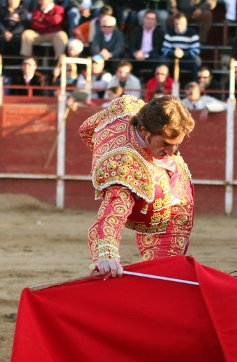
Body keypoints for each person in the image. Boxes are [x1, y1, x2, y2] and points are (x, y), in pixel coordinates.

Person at [79, 95, 196, 277]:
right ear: (143, 129)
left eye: (176, 145)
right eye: (165, 143)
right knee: (162, 279)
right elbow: (111, 216)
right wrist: (107, 255)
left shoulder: (126, 108)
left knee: (163, 275)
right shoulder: (126, 166)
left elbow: (86, 129)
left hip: (169, 198)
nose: (171, 153)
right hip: (166, 218)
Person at [161, 12, 201, 82]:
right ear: (174, 23)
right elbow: (164, 49)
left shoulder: (192, 33)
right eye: (177, 24)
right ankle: (166, 84)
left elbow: (196, 50)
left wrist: (183, 54)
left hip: (187, 59)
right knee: (162, 59)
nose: (179, 26)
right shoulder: (170, 33)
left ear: (186, 24)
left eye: (181, 24)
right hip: (172, 59)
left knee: (196, 60)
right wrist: (173, 53)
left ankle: (195, 84)